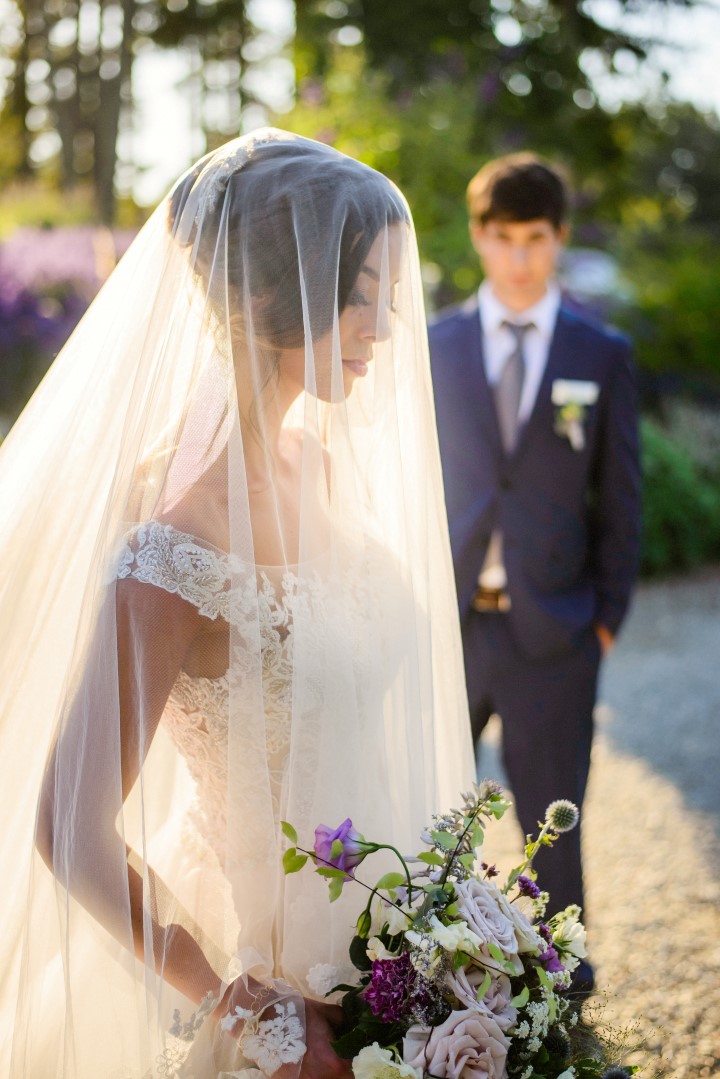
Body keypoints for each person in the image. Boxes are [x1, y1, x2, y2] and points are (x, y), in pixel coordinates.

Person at [0, 130, 474, 1078]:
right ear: (270, 297)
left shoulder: (325, 469)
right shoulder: (177, 552)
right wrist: (242, 1003)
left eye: (390, 296)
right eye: (360, 296)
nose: (383, 328)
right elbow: (67, 823)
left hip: (398, 931)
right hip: (267, 959)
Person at [428, 153, 642, 992]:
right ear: (479, 236)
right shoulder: (433, 345)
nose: (520, 257)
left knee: (555, 826)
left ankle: (562, 992)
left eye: (537, 239)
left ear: (559, 239)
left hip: (554, 628)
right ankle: (422, 987)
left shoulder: (601, 351)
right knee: (425, 818)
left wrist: (605, 619)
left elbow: (620, 496)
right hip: (446, 622)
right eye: (504, 238)